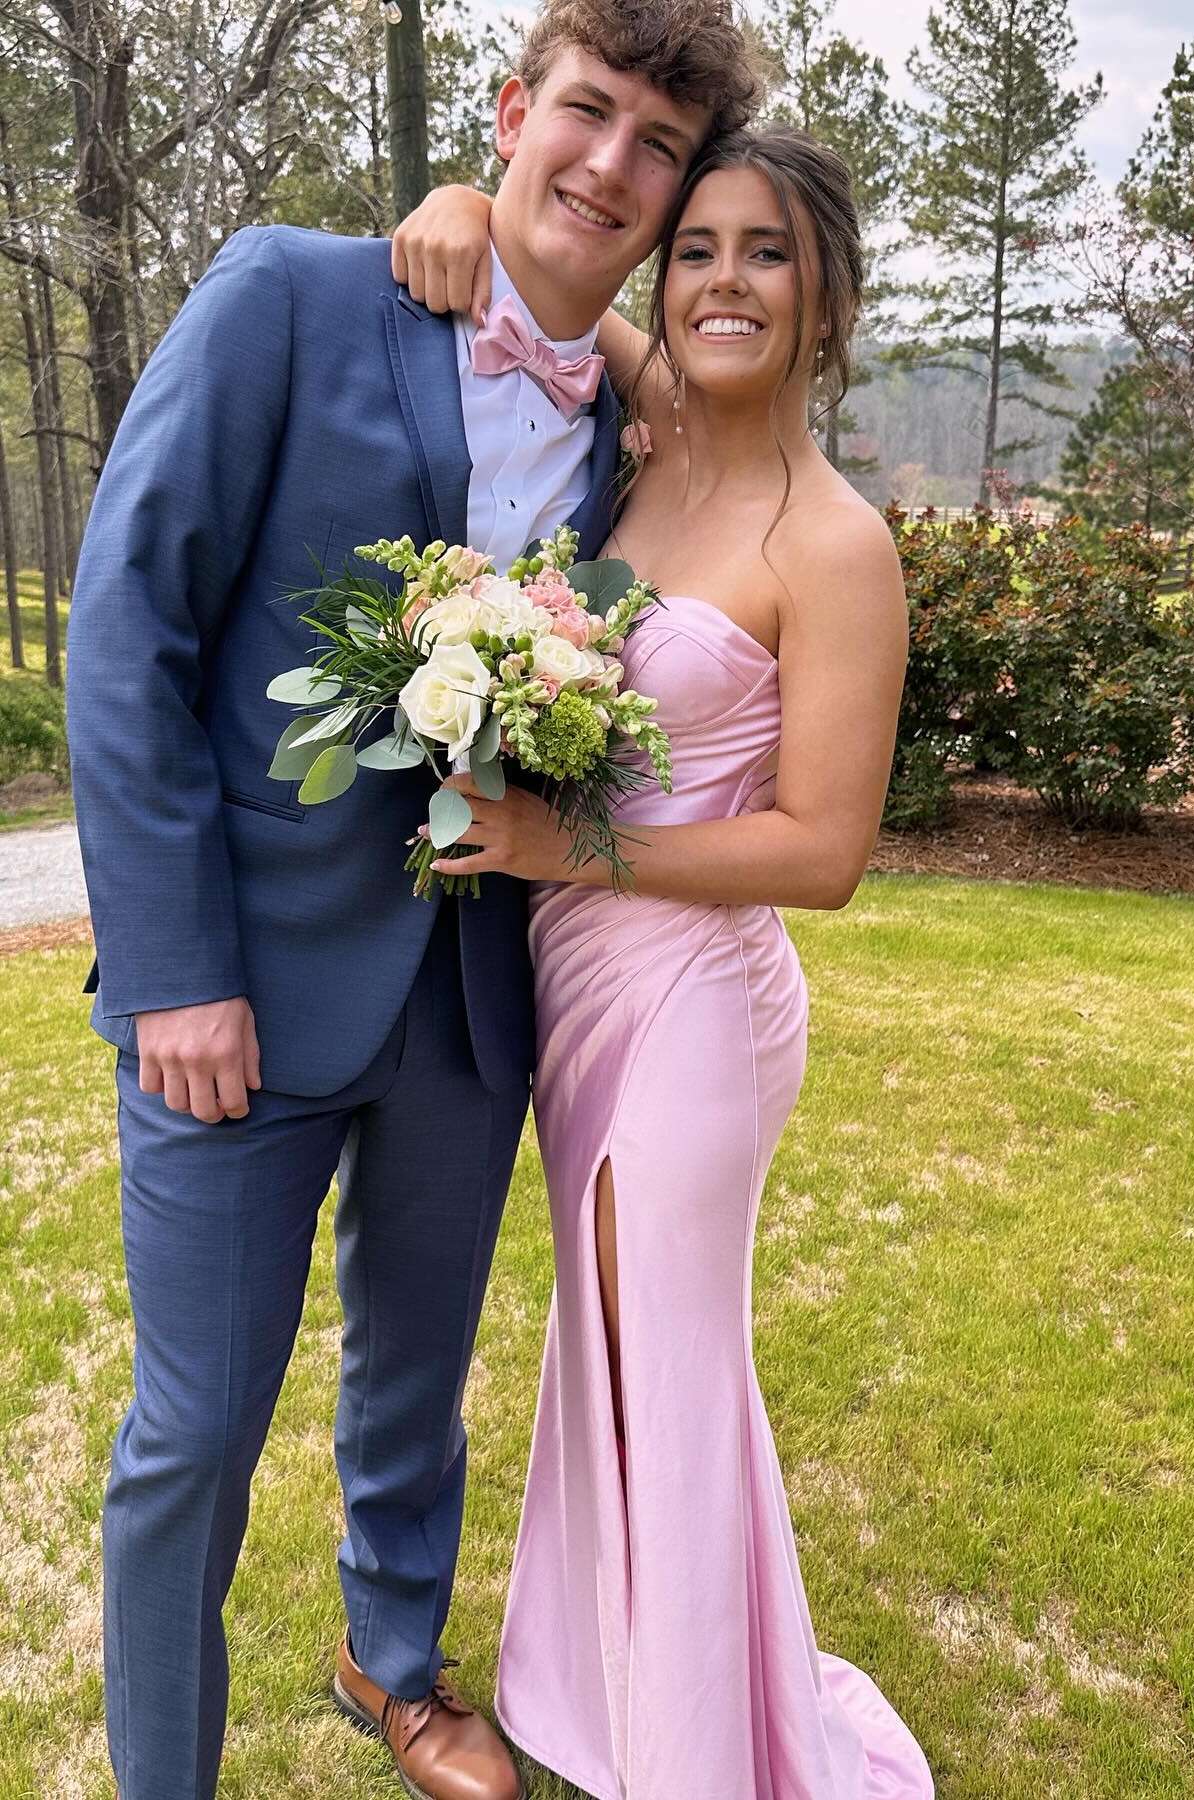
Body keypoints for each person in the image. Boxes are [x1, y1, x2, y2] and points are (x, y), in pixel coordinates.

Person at [63, 4, 762, 1795]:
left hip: (472, 993)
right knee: (193, 1433)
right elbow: (131, 630)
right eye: (586, 113)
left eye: (659, 146)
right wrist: (171, 971)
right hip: (239, 995)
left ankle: (393, 1665)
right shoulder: (289, 295)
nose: (610, 164)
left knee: (416, 1382)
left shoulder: (635, 420)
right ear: (513, 111)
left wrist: (577, 298)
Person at [390, 126, 936, 1798]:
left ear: (826, 294)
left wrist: (557, 849)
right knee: (616, 1354)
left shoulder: (832, 545)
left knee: (666, 1375)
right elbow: (543, 276)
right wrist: (465, 201)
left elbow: (823, 853)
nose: (722, 282)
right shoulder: (657, 431)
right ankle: (618, 1694)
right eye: (696, 248)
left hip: (697, 1005)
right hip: (579, 986)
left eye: (767, 252)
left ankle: (703, 1750)